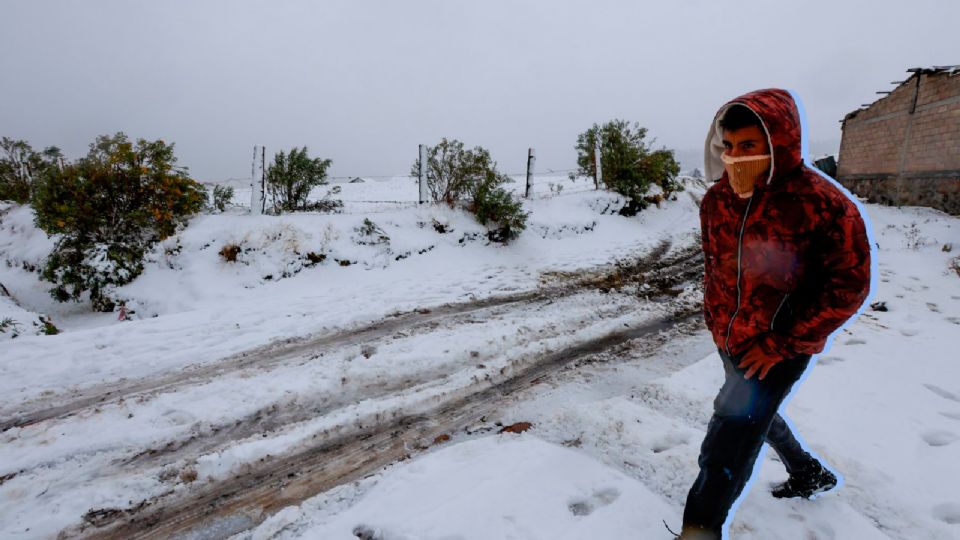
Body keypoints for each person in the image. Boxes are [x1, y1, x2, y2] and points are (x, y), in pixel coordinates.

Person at [677, 89, 872, 539]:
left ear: (778, 142)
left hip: (780, 346)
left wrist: (783, 342)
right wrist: (716, 321)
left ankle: (698, 530)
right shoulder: (717, 202)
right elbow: (716, 270)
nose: (735, 158)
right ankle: (807, 472)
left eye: (749, 146)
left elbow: (850, 284)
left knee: (727, 439)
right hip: (730, 338)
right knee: (753, 414)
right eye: (729, 147)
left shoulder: (821, 203)